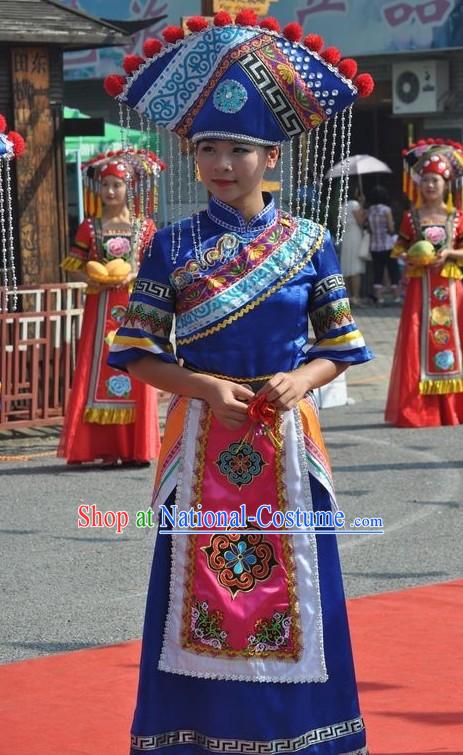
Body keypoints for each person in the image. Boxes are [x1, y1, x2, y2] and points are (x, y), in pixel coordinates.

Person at [105, 10, 375, 754]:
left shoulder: (311, 242)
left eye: (238, 149)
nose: (221, 162)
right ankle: (192, 730)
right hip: (201, 440)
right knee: (197, 584)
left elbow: (342, 344)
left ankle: (303, 732)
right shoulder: (170, 243)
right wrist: (200, 388)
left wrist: (302, 378)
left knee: (300, 582)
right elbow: (134, 350)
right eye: (207, 148)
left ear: (272, 159)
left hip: (287, 438)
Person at [58, 149, 165, 466]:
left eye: (116, 185)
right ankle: (101, 447)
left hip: (134, 305)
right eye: (105, 185)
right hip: (100, 304)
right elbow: (72, 265)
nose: (110, 191)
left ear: (129, 188)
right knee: (98, 368)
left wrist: (134, 274)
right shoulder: (89, 228)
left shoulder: (144, 227)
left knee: (137, 365)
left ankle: (135, 447)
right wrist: (92, 275)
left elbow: (156, 266)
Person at [385, 138, 463, 427]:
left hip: (452, 288)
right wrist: (412, 257)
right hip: (422, 289)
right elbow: (398, 249)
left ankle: (453, 409)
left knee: (454, 342)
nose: (430, 186)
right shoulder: (411, 217)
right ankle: (422, 410)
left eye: (435, 181)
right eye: (426, 180)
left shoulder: (457, 217)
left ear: (446, 184)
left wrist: (450, 253)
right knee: (419, 340)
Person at [367, 185, 401, 304]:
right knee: (393, 270)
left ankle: (379, 297)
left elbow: (369, 228)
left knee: (378, 271)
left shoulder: (370, 210)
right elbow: (391, 228)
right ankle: (396, 297)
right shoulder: (386, 210)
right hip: (388, 244)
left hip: (375, 245)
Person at [340, 185, 366, 305]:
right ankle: (356, 296)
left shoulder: (343, 205)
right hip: (355, 234)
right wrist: (362, 206)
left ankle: (348, 295)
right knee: (355, 267)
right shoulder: (355, 204)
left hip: (346, 235)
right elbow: (360, 221)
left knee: (346, 267)